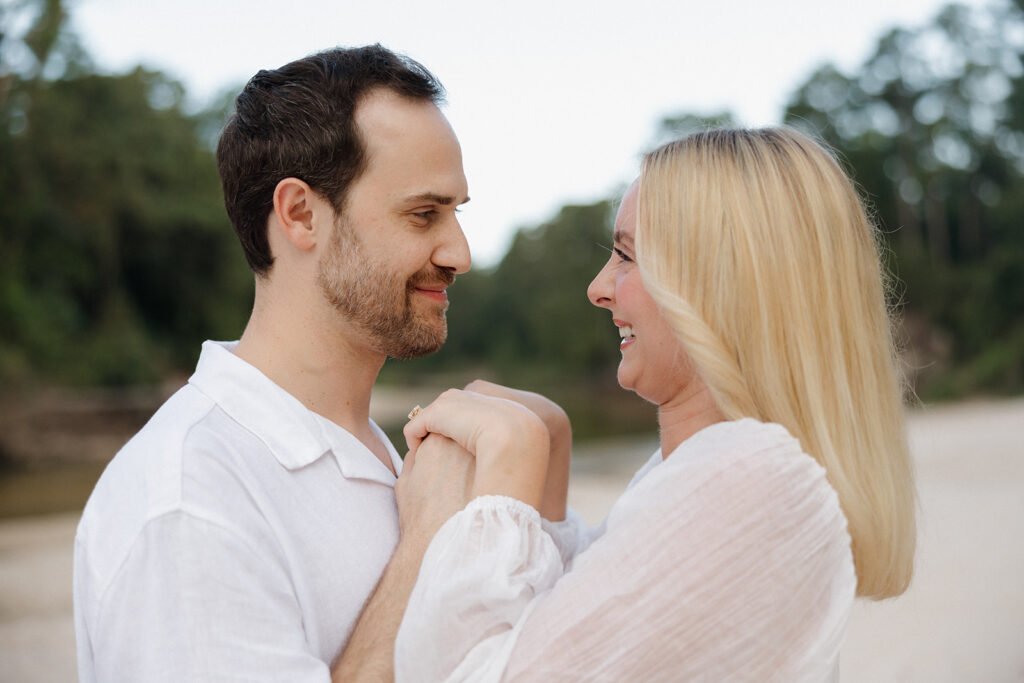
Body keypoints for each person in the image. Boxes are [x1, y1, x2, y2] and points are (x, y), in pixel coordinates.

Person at [391, 127, 918, 681]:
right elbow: (581, 638)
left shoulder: (750, 480)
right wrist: (551, 451)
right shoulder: (701, 468)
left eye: (626, 256)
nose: (598, 288)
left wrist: (504, 471)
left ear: (721, 281)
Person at [73, 44, 482, 682]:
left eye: (456, 213)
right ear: (299, 214)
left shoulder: (377, 454)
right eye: (424, 214)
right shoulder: (191, 504)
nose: (459, 251)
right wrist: (428, 539)